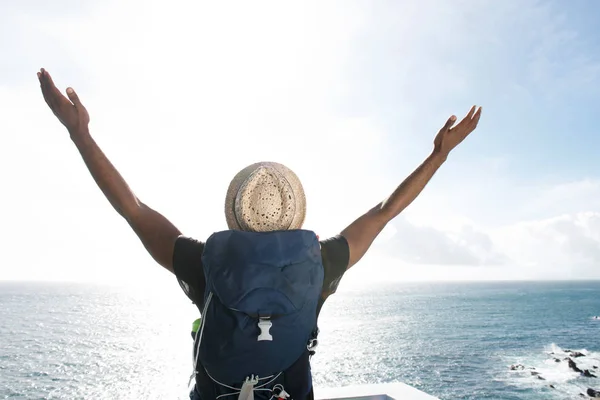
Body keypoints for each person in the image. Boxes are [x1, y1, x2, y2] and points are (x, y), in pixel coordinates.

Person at [37, 68, 482, 400]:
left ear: (235, 213)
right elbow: (384, 213)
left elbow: (132, 209)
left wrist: (81, 135)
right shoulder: (322, 262)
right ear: (294, 212)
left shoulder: (203, 261)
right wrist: (438, 156)